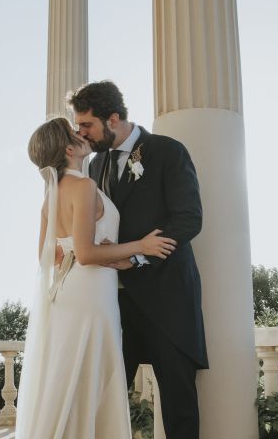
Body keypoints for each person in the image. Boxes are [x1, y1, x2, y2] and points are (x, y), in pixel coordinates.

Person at [15, 116, 177, 439]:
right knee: (89, 379)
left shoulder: (51, 198)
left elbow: (50, 258)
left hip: (67, 295)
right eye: (74, 132)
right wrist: (140, 246)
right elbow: (87, 254)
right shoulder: (84, 186)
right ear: (68, 148)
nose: (80, 133)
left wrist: (85, 248)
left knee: (68, 380)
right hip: (90, 295)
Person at [69, 80, 209, 438]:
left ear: (112, 118)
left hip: (167, 298)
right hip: (114, 304)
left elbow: (188, 218)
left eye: (86, 125)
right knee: (103, 401)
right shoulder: (95, 165)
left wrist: (138, 260)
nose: (80, 132)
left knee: (178, 406)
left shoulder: (167, 151)